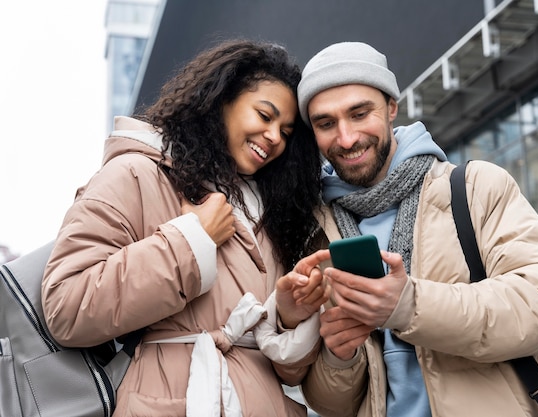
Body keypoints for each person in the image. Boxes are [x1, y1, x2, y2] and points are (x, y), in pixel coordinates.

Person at [41, 39, 329, 417]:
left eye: (286, 132)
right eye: (264, 115)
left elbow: (290, 374)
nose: (275, 137)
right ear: (221, 99)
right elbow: (67, 307)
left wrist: (288, 317)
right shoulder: (136, 174)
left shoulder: (275, 216)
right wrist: (191, 241)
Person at [296, 41, 538, 417]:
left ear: (392, 107)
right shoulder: (318, 234)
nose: (346, 138)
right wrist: (340, 357)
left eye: (360, 114)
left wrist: (408, 306)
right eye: (326, 124)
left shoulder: (476, 188)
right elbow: (330, 403)